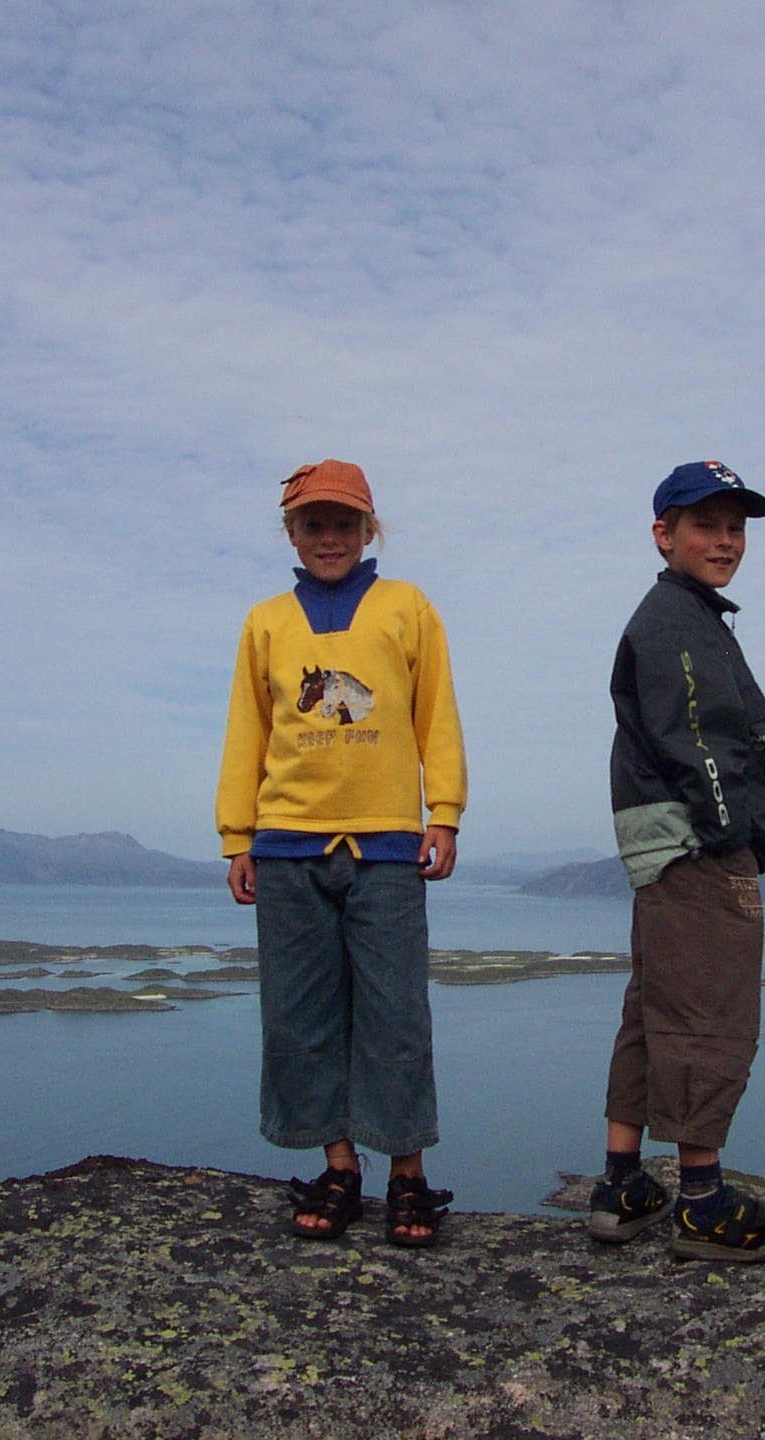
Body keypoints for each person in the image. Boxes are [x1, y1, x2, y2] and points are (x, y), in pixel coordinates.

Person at [216, 458, 467, 1247]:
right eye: (313, 524)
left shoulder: (406, 607)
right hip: (287, 845)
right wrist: (237, 837)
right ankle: (338, 1166)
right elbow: (246, 734)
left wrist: (446, 813)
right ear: (291, 532)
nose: (330, 537)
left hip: (388, 846)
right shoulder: (265, 621)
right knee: (301, 1017)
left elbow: (437, 717)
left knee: (396, 1017)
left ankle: (407, 1174)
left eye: (345, 523)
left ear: (369, 529)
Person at [588, 460, 765, 1262]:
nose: (725, 540)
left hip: (666, 852)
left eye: (735, 526)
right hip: (697, 852)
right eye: (706, 525)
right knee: (710, 1018)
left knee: (654, 1010)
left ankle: (622, 1184)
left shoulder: (681, 618)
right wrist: (729, 836)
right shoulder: (678, 623)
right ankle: (701, 1201)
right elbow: (699, 741)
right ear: (664, 534)